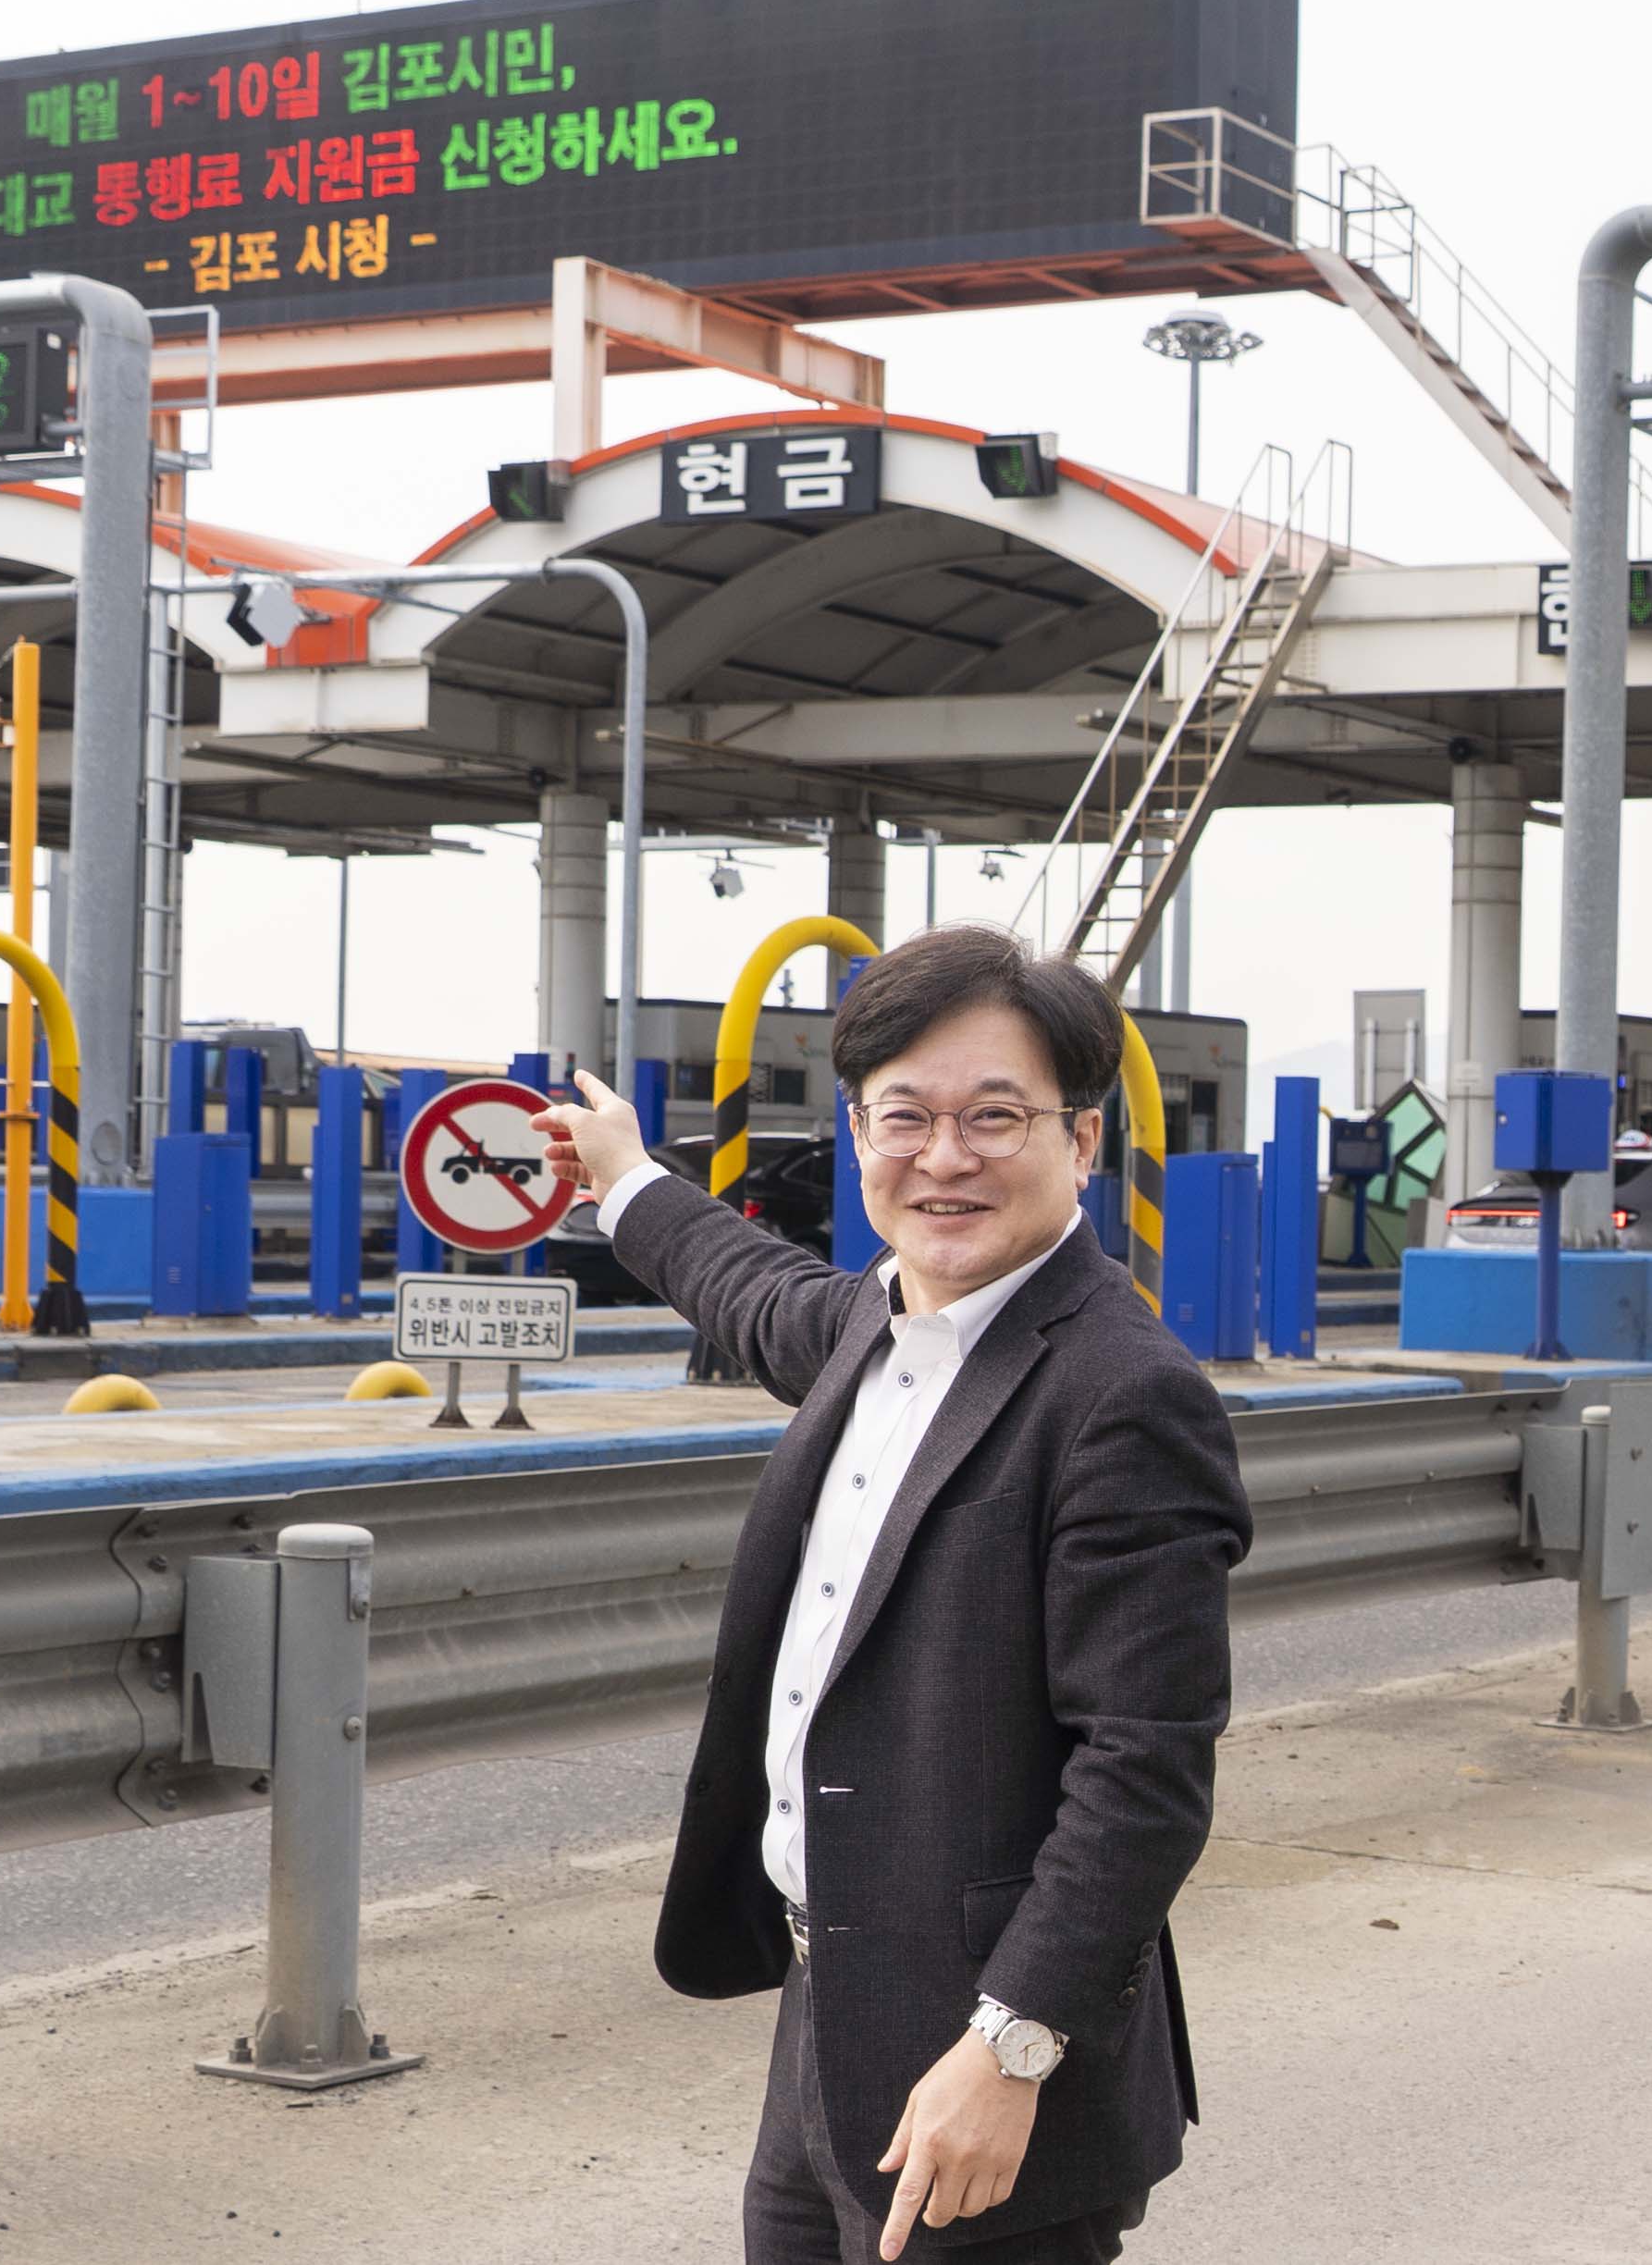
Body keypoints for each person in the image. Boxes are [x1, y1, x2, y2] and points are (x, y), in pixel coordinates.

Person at [536, 924, 1251, 2263]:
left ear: (1079, 1141)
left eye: (995, 1117)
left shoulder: (1120, 1391)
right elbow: (746, 1287)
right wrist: (625, 1176)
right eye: (902, 1116)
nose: (942, 1157)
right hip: (833, 1997)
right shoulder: (876, 1322)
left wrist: (1010, 2049)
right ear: (856, 1129)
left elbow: (1142, 1771)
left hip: (987, 2052)